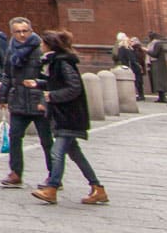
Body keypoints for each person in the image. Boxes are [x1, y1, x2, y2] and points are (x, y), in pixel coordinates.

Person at [30, 30, 106, 205]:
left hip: (69, 116)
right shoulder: (56, 62)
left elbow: (74, 88)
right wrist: (38, 84)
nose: (41, 46)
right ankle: (98, 188)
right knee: (76, 155)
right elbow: (59, 83)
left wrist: (51, 96)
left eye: (42, 43)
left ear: (49, 45)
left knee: (57, 152)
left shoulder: (62, 63)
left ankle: (52, 188)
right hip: (65, 115)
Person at [0, 16, 53, 188]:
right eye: (18, 32)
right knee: (14, 137)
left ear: (30, 30)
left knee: (46, 140)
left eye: (25, 31)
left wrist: (46, 94)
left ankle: (54, 175)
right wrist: (3, 96)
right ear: (12, 33)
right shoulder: (11, 49)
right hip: (19, 99)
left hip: (38, 100)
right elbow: (7, 74)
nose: (22, 35)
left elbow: (50, 76)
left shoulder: (40, 48)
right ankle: (15, 173)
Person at [144, 31, 167, 103]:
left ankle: (163, 97)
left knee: (160, 81)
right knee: (157, 81)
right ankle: (161, 97)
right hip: (154, 64)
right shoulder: (154, 44)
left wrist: (146, 50)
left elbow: (155, 54)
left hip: (158, 64)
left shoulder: (157, 44)